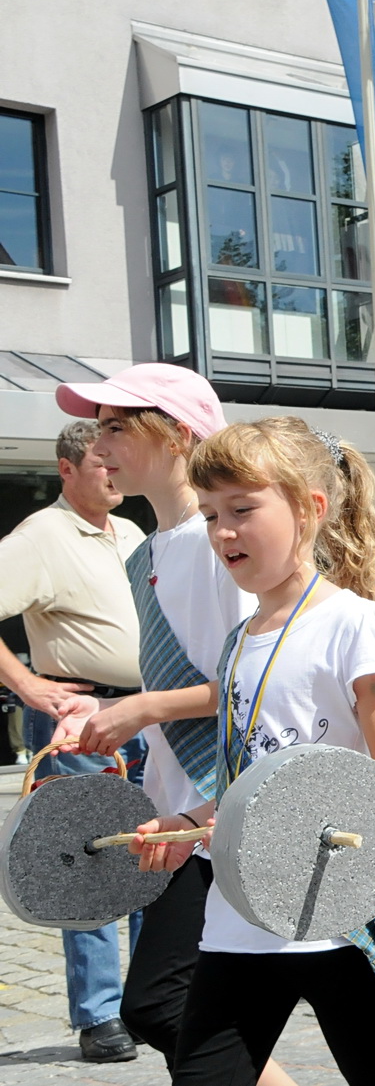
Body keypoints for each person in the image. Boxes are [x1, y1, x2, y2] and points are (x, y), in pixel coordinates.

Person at [124, 418, 375, 1086]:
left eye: (243, 509)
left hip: (337, 915)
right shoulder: (239, 638)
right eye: (212, 513)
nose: (222, 531)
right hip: (242, 915)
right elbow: (248, 781)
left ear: (310, 507)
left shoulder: (358, 624)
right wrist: (190, 824)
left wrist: (291, 817)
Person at [49, 365, 280, 1081]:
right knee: (173, 1006)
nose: (102, 441)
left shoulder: (223, 541)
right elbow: (175, 677)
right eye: (100, 426)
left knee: (162, 1002)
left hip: (228, 805)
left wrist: (145, 707)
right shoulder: (146, 551)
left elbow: (256, 681)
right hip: (178, 811)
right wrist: (106, 710)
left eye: (119, 425)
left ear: (178, 434)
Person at [0, 421, 147, 1063]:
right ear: (66, 469)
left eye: (116, 460)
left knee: (155, 851)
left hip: (145, 713)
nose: (112, 471)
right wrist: (28, 685)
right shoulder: (42, 536)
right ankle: (100, 1015)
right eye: (98, 462)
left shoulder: (137, 533)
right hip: (76, 720)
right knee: (85, 859)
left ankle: (151, 997)